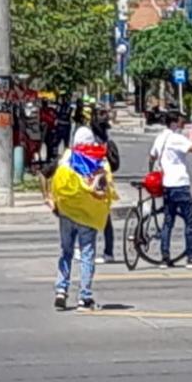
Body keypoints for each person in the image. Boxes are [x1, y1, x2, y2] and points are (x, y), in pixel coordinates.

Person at [45, 139, 115, 311]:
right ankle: (84, 297)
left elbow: (48, 176)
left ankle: (61, 290)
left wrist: (50, 199)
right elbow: (105, 189)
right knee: (87, 255)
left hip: (67, 213)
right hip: (88, 216)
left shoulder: (67, 158)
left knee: (66, 252)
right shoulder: (100, 161)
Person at [153, 111, 192, 269]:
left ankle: (164, 257)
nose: (182, 124)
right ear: (174, 122)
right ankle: (191, 257)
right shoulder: (176, 138)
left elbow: (152, 155)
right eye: (180, 121)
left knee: (168, 222)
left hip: (167, 184)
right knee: (190, 221)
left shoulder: (161, 137)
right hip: (179, 183)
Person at [90, 107, 120, 264]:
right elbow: (115, 166)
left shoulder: (91, 142)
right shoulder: (107, 143)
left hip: (92, 182)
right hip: (105, 182)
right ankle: (108, 252)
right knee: (105, 220)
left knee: (89, 218)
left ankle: (87, 249)